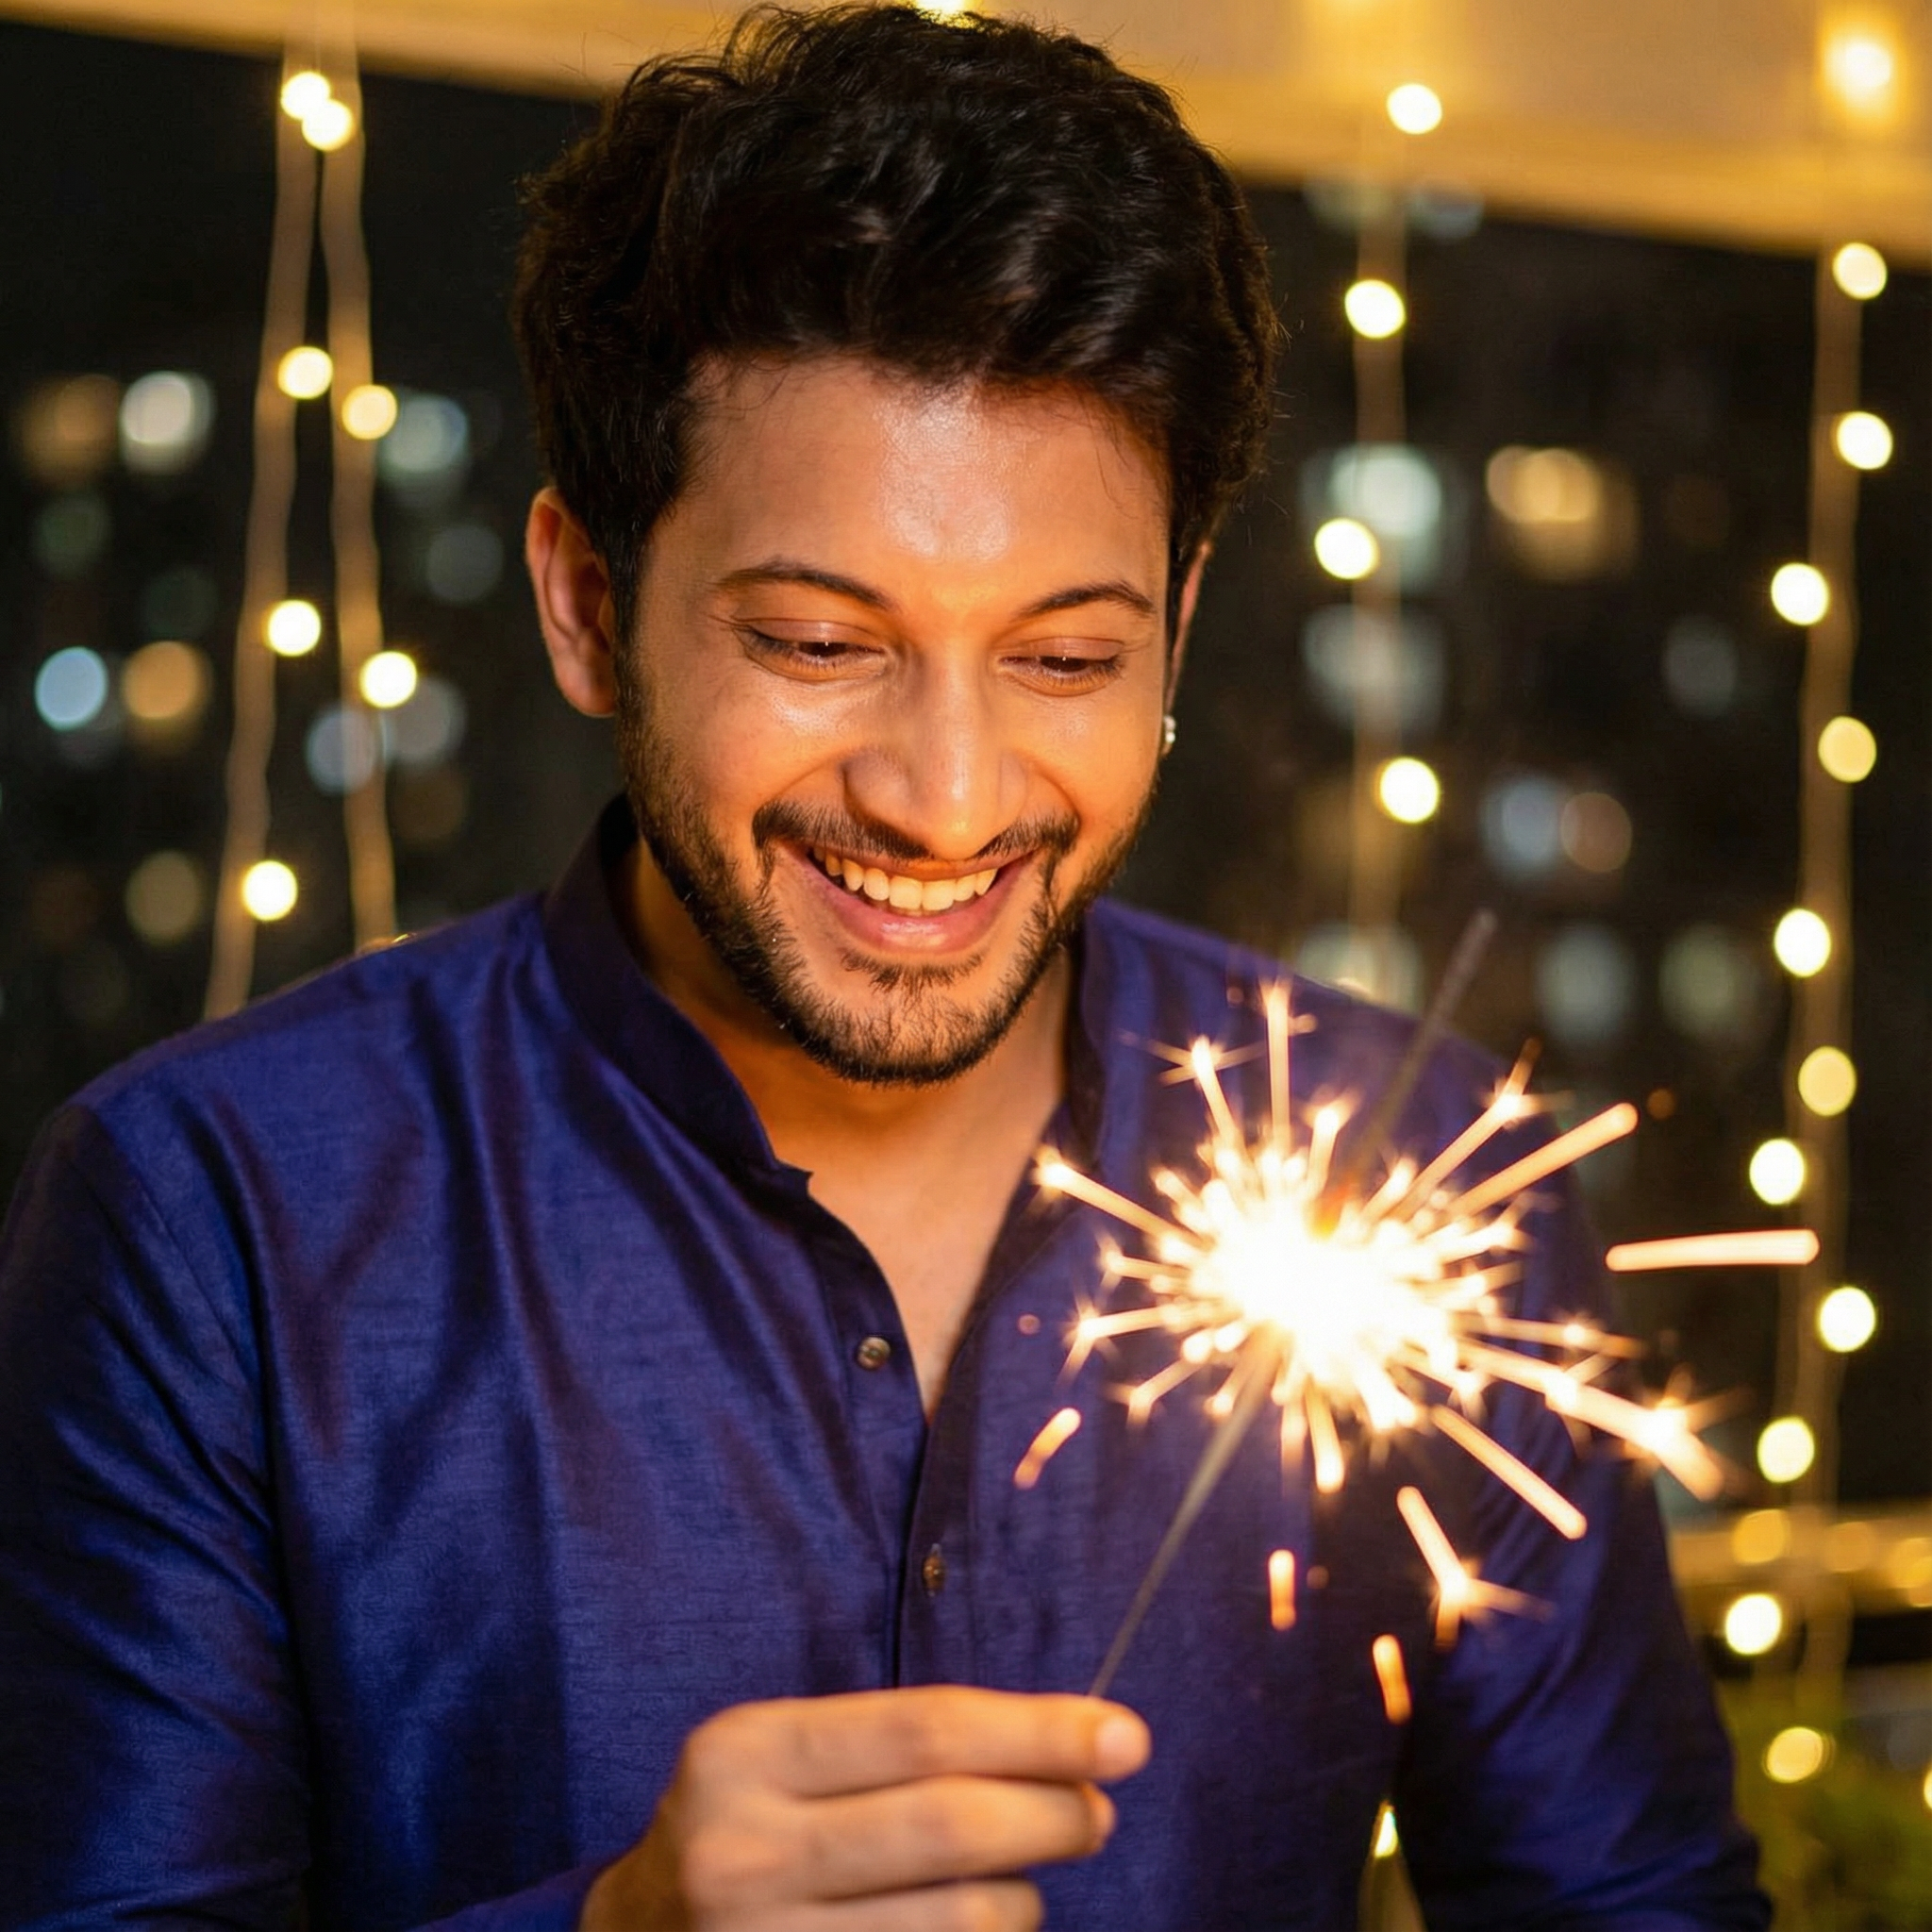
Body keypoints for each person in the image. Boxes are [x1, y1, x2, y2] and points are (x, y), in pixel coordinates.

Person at [0, 7, 1767, 1928]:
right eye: (820, 644)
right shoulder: (215, 1217)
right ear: (587, 605)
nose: (946, 799)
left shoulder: (1414, 1162)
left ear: (1176, 629)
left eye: (1066, 659)